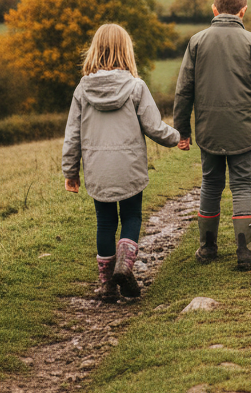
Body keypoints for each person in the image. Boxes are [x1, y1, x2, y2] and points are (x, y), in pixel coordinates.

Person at [62, 23, 180, 300]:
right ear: (126, 51)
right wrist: (177, 138)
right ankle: (124, 267)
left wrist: (71, 171)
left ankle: (106, 285)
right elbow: (154, 126)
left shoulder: (82, 90)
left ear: (94, 51)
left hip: (97, 169)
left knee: (105, 223)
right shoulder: (136, 87)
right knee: (131, 216)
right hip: (129, 167)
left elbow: (72, 136)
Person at [174, 0, 251, 270]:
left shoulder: (197, 41)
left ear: (214, 9)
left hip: (209, 129)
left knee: (210, 183)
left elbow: (184, 90)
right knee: (242, 184)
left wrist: (183, 130)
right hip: (244, 129)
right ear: (243, 11)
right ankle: (245, 252)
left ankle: (207, 249)